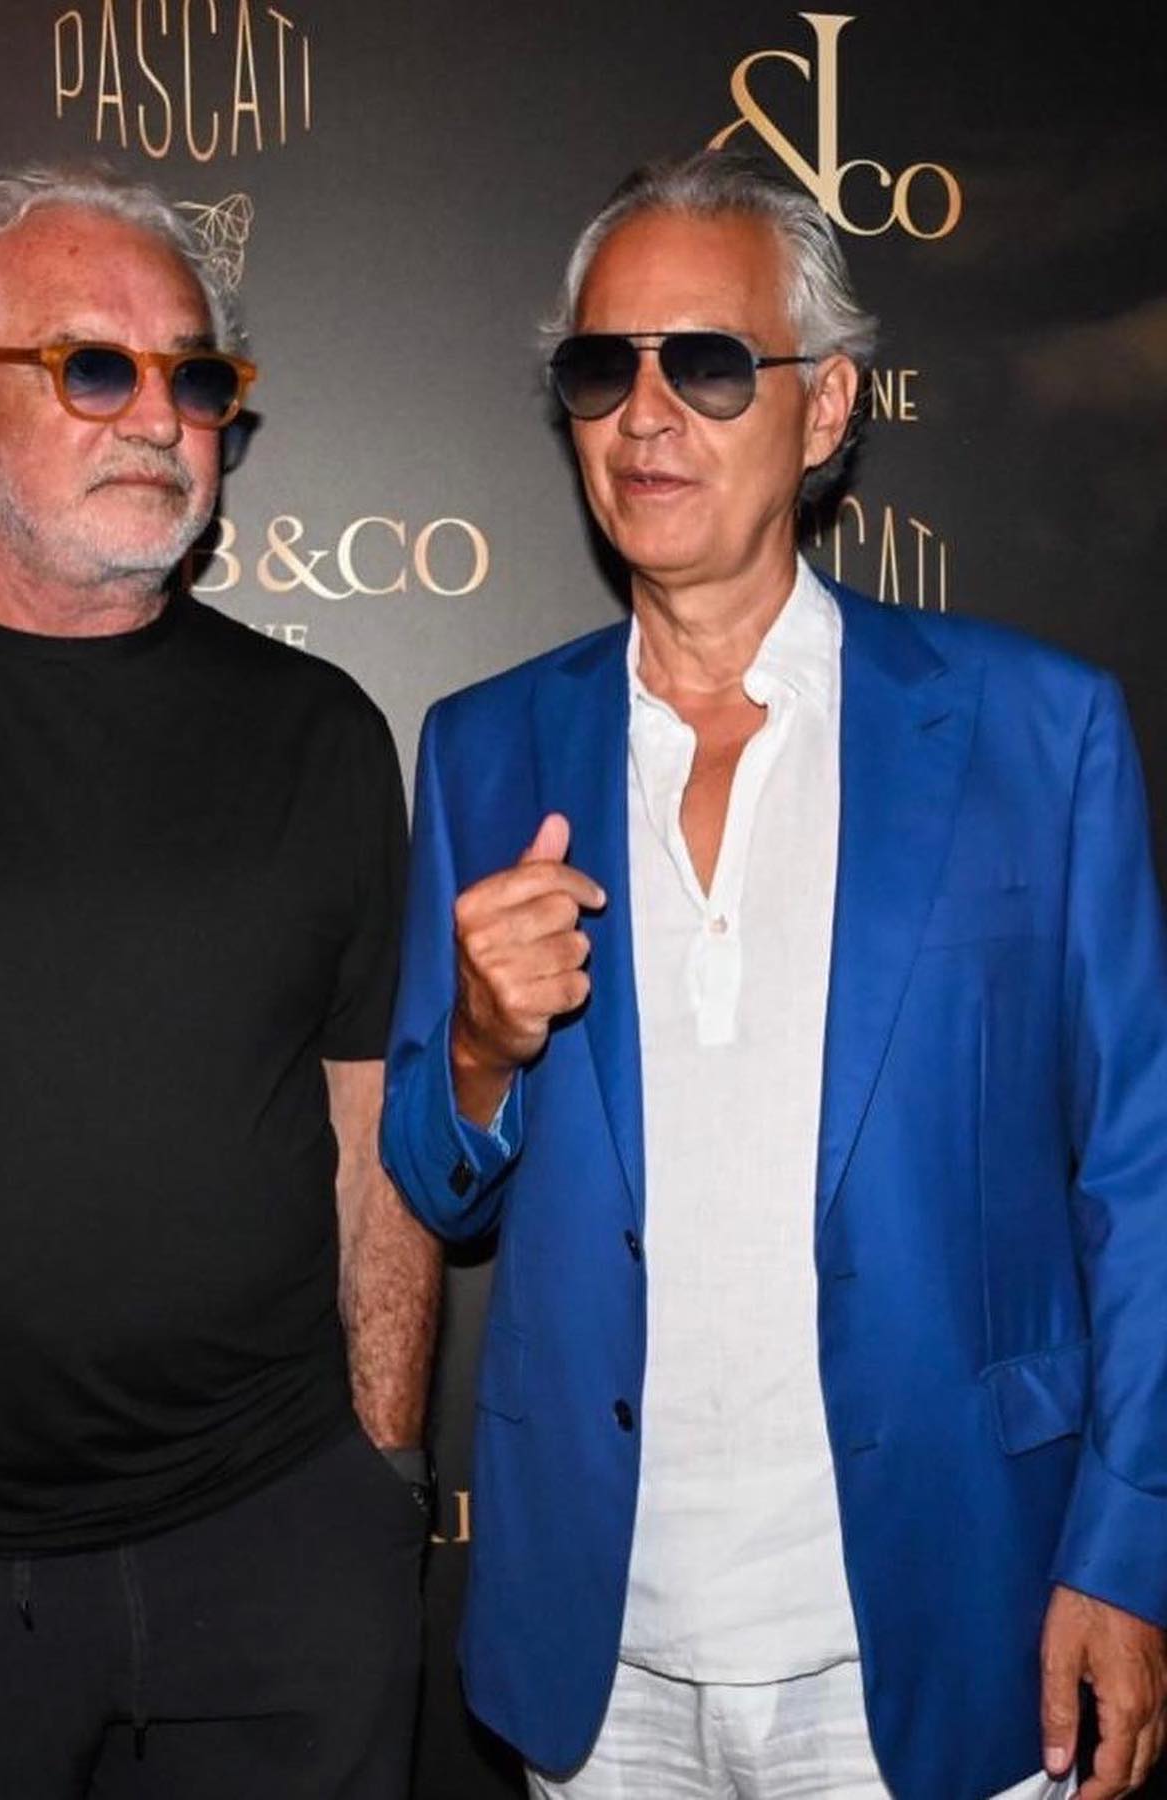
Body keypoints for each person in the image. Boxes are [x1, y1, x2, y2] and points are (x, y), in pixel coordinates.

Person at [381, 148, 1167, 1800]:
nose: (644, 414)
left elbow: (1138, 1174)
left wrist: (1128, 1546)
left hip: (947, 1619)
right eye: (602, 369)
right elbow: (437, 1180)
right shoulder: (484, 744)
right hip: (601, 1652)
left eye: (709, 363)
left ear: (828, 410)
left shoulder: (1037, 732)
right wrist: (480, 1047)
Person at [0, 163, 439, 1800]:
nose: (158, 418)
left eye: (194, 376)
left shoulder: (320, 732)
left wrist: (384, 1470)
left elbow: (372, 1133)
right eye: (94, 367)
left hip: (279, 1556)